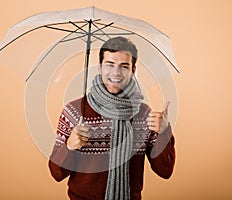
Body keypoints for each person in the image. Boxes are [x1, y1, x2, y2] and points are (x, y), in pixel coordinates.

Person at [48, 37, 175, 200]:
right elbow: (56, 173)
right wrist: (70, 146)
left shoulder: (144, 115)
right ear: (100, 67)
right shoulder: (74, 111)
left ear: (133, 70)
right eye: (110, 65)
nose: (116, 72)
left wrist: (164, 132)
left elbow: (165, 171)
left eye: (124, 66)